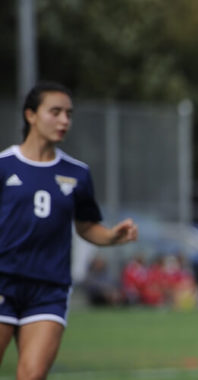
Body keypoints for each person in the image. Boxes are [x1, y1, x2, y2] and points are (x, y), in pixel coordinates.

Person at [0, 81, 139, 379]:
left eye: (69, 113)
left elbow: (87, 226)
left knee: (32, 375)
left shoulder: (77, 173)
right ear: (31, 115)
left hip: (49, 288)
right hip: (2, 281)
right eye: (55, 112)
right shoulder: (4, 165)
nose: (64, 120)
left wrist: (113, 236)